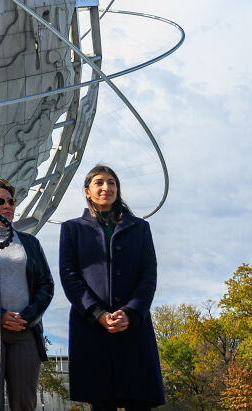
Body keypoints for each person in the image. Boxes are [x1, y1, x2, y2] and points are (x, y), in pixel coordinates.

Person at [59, 165, 165, 410]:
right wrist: (97, 314)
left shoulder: (139, 228)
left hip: (133, 328)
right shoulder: (72, 229)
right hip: (92, 328)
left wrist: (131, 312)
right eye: (99, 183)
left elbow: (148, 275)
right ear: (87, 191)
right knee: (101, 401)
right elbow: (69, 276)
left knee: (139, 400)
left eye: (111, 182)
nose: (106, 188)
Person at [0, 177, 54, 411]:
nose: (8, 206)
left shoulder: (30, 243)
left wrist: (28, 316)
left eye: (11, 201)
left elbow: (46, 285)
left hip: (25, 331)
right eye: (0, 201)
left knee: (24, 403)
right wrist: (0, 315)